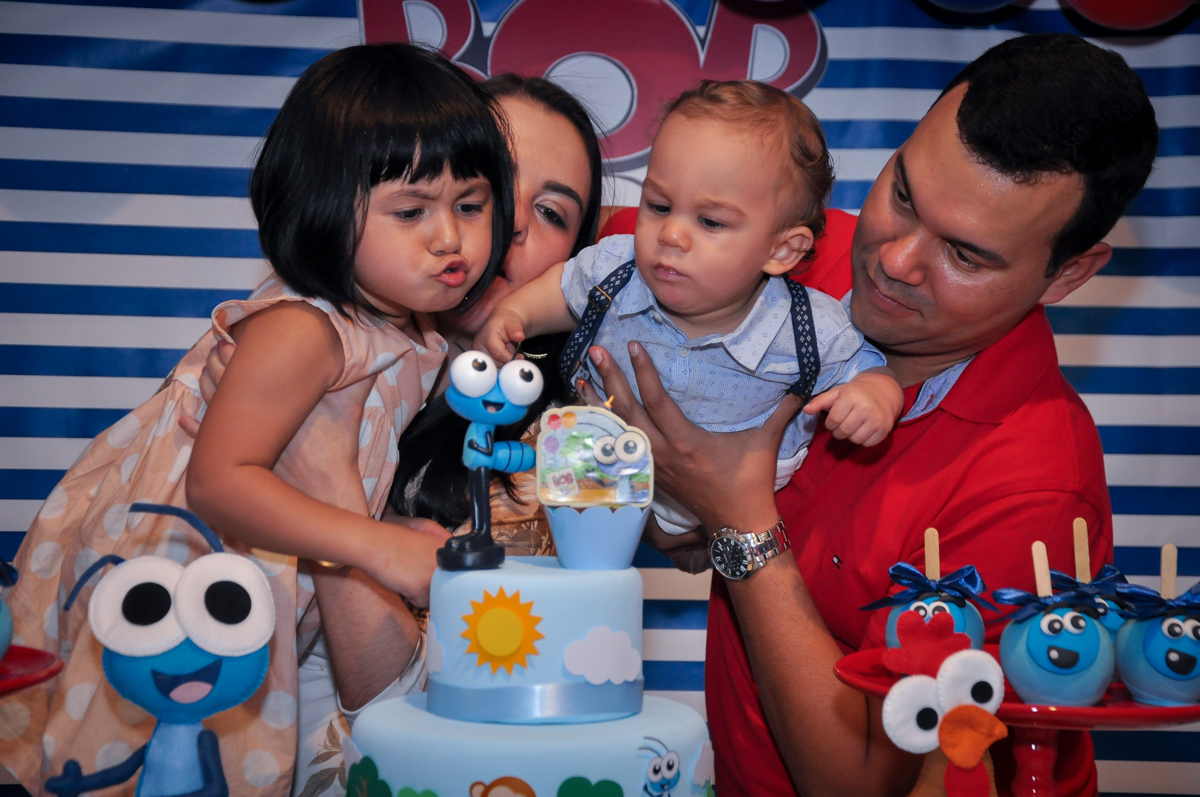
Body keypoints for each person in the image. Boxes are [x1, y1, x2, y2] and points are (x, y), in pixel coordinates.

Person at [583, 33, 1157, 796]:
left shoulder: (1037, 487)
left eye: (967, 256)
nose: (894, 259)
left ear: (1069, 274)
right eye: (905, 194)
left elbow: (858, 784)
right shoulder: (781, 253)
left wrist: (740, 521)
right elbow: (534, 241)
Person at [2, 43, 514, 797]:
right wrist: (375, 545)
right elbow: (218, 482)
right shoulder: (303, 328)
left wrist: (389, 533)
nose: (450, 238)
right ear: (323, 207)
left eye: (470, 205)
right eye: (412, 211)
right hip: (167, 599)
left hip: (234, 600)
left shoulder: (404, 336)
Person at [184, 73, 604, 795]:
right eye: (487, 188)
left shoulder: (581, 443)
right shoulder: (314, 334)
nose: (507, 227)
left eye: (553, 211)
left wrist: (327, 473)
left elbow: (424, 726)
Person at [477, 80, 903, 534]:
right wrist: (515, 314)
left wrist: (875, 395)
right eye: (659, 206)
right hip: (602, 457)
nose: (672, 235)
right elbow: (562, 291)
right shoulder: (616, 267)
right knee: (585, 553)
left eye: (709, 221)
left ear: (781, 250)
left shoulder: (809, 325)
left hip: (741, 487)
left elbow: (867, 368)